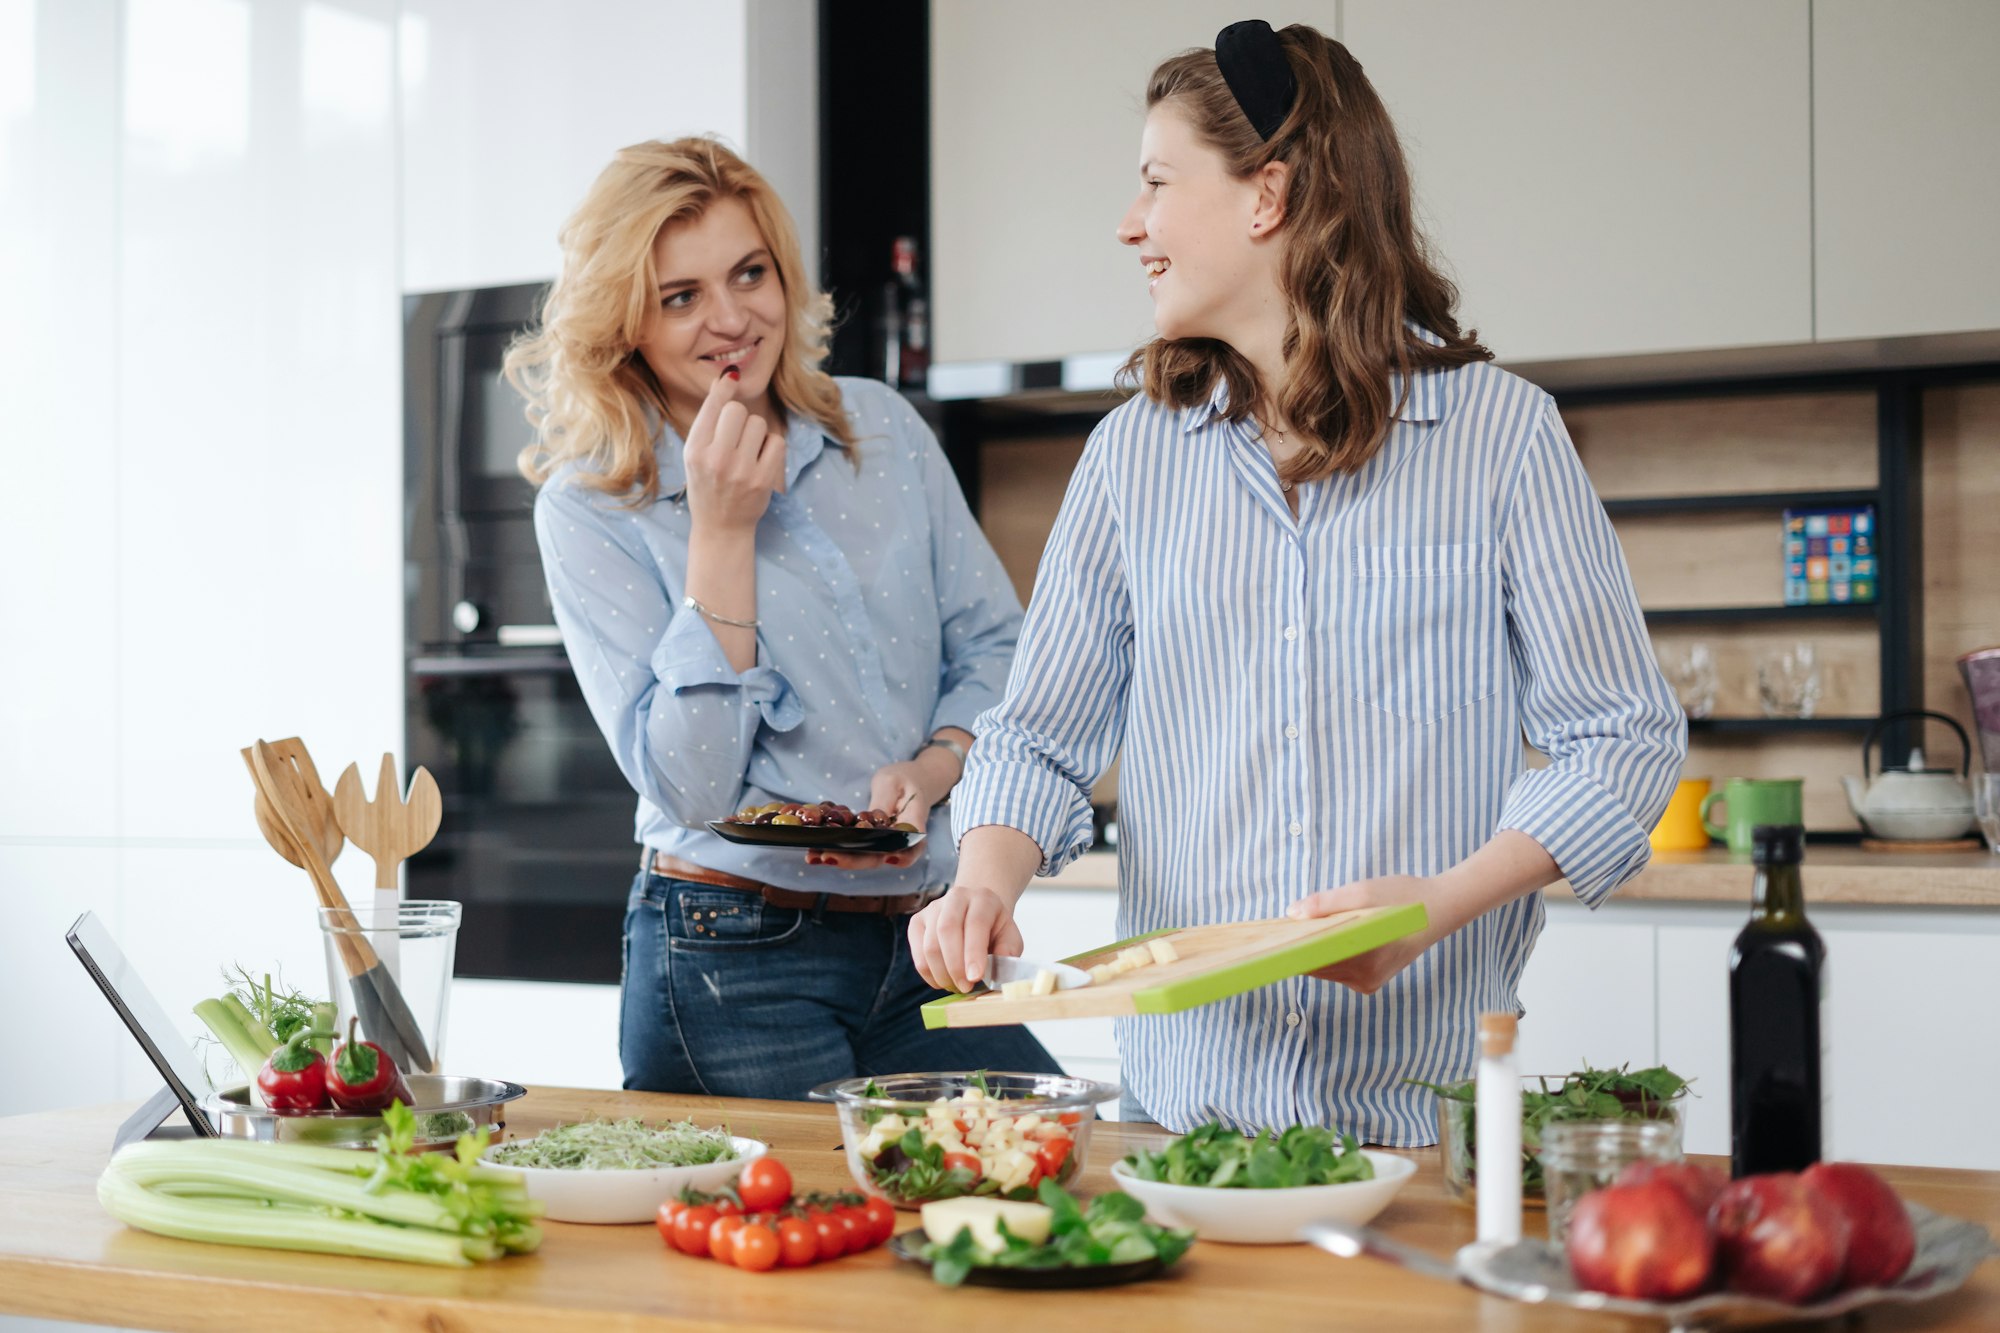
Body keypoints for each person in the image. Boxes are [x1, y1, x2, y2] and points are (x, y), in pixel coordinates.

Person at [909, 21, 1687, 1141]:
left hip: (1421, 1127)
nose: (1128, 224)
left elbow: (1621, 736)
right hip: (1187, 1132)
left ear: (1265, 195)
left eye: (1156, 183)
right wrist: (983, 879)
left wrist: (1439, 903)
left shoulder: (1500, 437)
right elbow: (1034, 737)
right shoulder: (1131, 457)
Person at [508, 137, 1060, 1097]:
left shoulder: (880, 429)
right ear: (626, 323)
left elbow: (998, 647)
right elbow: (691, 782)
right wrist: (720, 530)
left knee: (1047, 1168)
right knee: (799, 1233)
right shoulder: (591, 507)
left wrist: (934, 768)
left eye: (750, 273)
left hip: (922, 936)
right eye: (680, 297)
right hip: (732, 952)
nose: (731, 319)